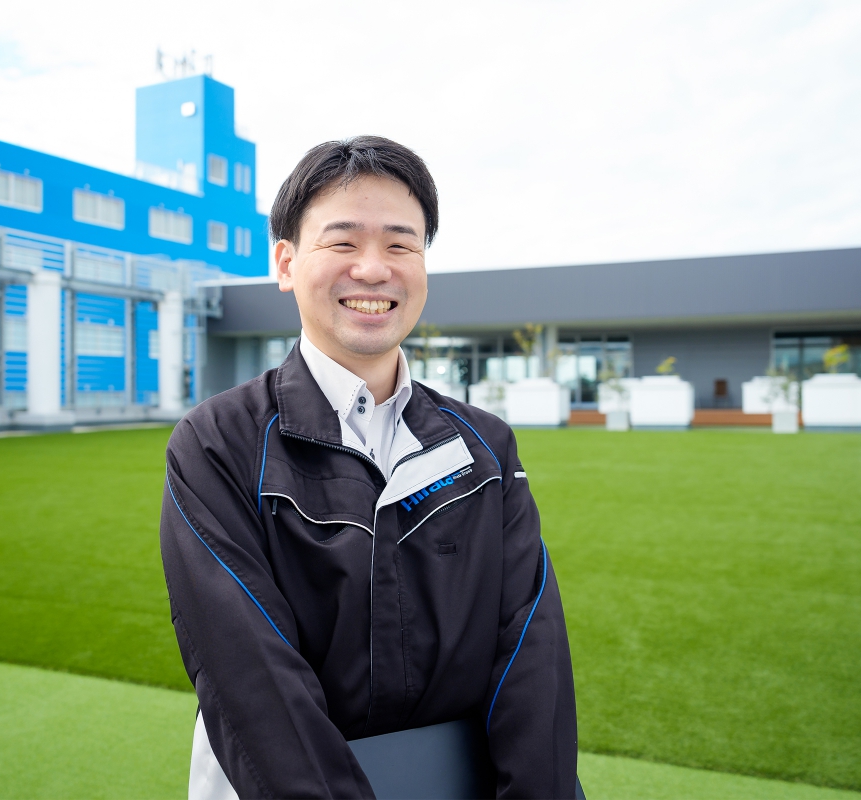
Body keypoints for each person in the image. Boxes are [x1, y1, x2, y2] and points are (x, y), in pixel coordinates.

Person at [160, 136, 578, 799]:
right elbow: (251, 679)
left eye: (401, 245)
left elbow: (531, 651)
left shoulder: (484, 447)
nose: (374, 269)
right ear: (286, 262)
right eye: (343, 242)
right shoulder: (218, 443)